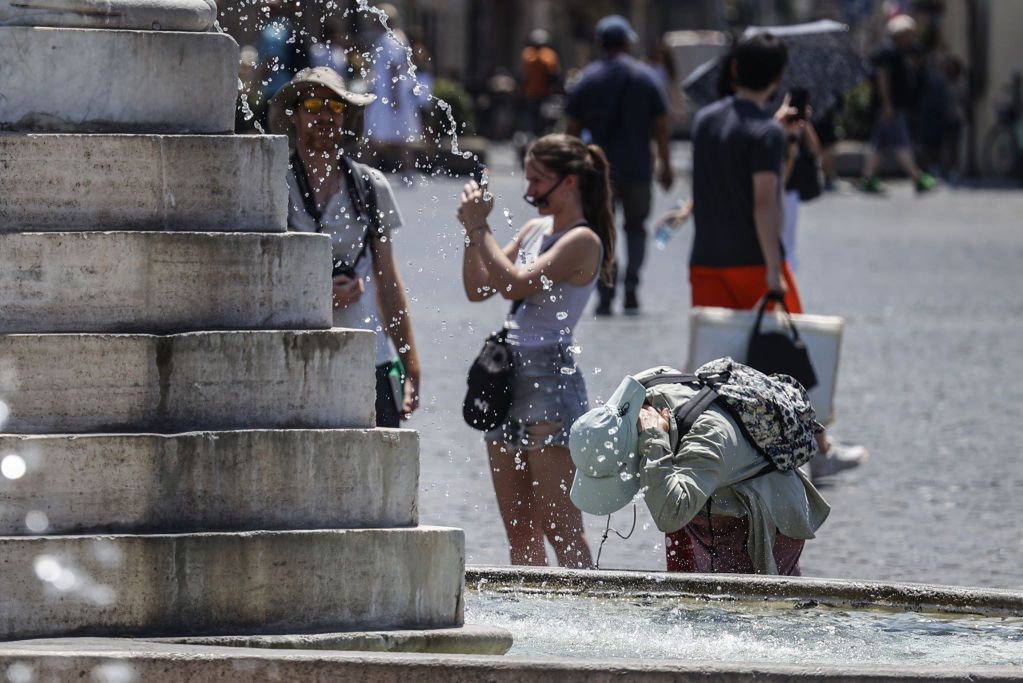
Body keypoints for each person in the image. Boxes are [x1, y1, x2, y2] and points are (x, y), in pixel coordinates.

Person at [678, 33, 868, 481]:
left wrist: (778, 137)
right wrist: (772, 270)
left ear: (735, 70)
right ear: (779, 78)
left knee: (716, 357)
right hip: (751, 260)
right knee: (789, 361)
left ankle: (709, 443)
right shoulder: (765, 132)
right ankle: (816, 447)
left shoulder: (706, 120)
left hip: (705, 257)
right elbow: (766, 201)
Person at [457, 134, 617, 568]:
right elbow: (478, 288)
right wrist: (472, 236)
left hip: (549, 378)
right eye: (527, 179)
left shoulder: (582, 241)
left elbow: (514, 283)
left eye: (537, 180)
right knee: (520, 530)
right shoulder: (534, 230)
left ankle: (587, 623)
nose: (528, 192)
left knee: (561, 529)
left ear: (569, 182)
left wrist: (480, 228)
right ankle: (531, 625)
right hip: (506, 373)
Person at [268, 67, 421, 428]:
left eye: (335, 108)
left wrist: (410, 365)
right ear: (295, 115)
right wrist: (315, 295)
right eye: (314, 104)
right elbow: (259, 276)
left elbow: (389, 283)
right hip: (298, 351)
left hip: (370, 355)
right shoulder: (273, 183)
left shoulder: (370, 186)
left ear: (346, 116)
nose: (325, 116)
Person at [570, 368, 830, 574]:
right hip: (709, 498)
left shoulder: (707, 436)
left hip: (762, 514)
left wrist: (655, 441)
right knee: (688, 604)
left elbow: (670, 515)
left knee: (748, 616)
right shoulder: (637, 397)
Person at [565, 14, 673, 316]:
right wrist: (665, 164)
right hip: (638, 167)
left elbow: (572, 128)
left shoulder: (587, 78)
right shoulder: (646, 77)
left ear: (600, 44)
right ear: (626, 43)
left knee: (601, 230)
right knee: (636, 228)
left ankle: (605, 290)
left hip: (598, 171)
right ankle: (632, 285)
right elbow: (661, 126)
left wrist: (567, 168)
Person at [860, 14, 936, 194]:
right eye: (909, 34)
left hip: (893, 107)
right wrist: (887, 105)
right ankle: (917, 178)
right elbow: (882, 78)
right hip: (890, 108)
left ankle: (868, 179)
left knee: (878, 146)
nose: (911, 39)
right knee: (902, 143)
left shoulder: (901, 53)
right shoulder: (888, 53)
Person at [363, 3, 431, 185]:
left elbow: (394, 68)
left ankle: (363, 172)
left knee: (377, 136)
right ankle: (406, 171)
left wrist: (394, 98)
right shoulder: (395, 37)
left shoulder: (390, 39)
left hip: (390, 97)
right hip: (391, 96)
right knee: (395, 138)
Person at [519, 29, 561, 137]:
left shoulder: (547, 56)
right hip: (532, 94)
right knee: (533, 120)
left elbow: (553, 75)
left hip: (543, 93)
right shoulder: (530, 55)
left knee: (543, 119)